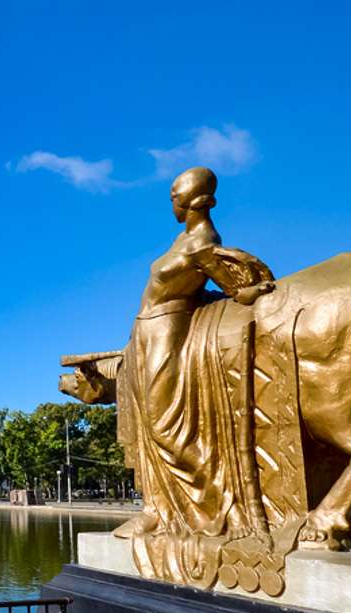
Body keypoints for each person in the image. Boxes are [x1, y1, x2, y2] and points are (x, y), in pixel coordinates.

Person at [115, 167, 276, 584]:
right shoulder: (182, 240)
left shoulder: (204, 241)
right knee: (151, 428)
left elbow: (233, 288)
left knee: (165, 426)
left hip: (168, 329)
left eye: (173, 194)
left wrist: (252, 291)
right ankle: (157, 510)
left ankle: (213, 506)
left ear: (189, 200)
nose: (170, 201)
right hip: (147, 331)